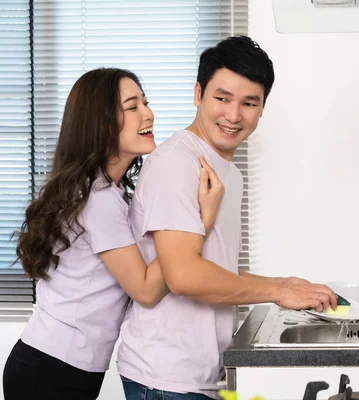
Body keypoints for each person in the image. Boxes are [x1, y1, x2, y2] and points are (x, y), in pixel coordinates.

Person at [117, 36, 337, 400]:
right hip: (165, 378)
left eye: (249, 103)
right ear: (198, 93)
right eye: (222, 98)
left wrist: (286, 283)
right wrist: (277, 291)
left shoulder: (229, 173)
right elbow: (184, 275)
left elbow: (212, 265)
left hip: (198, 375)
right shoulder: (177, 163)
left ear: (263, 108)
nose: (234, 115)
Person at [2, 68, 224, 400]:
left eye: (145, 103)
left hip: (59, 365)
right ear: (101, 122)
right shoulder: (98, 198)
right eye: (132, 106)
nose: (148, 113)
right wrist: (201, 220)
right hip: (53, 369)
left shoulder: (109, 193)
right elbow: (146, 290)